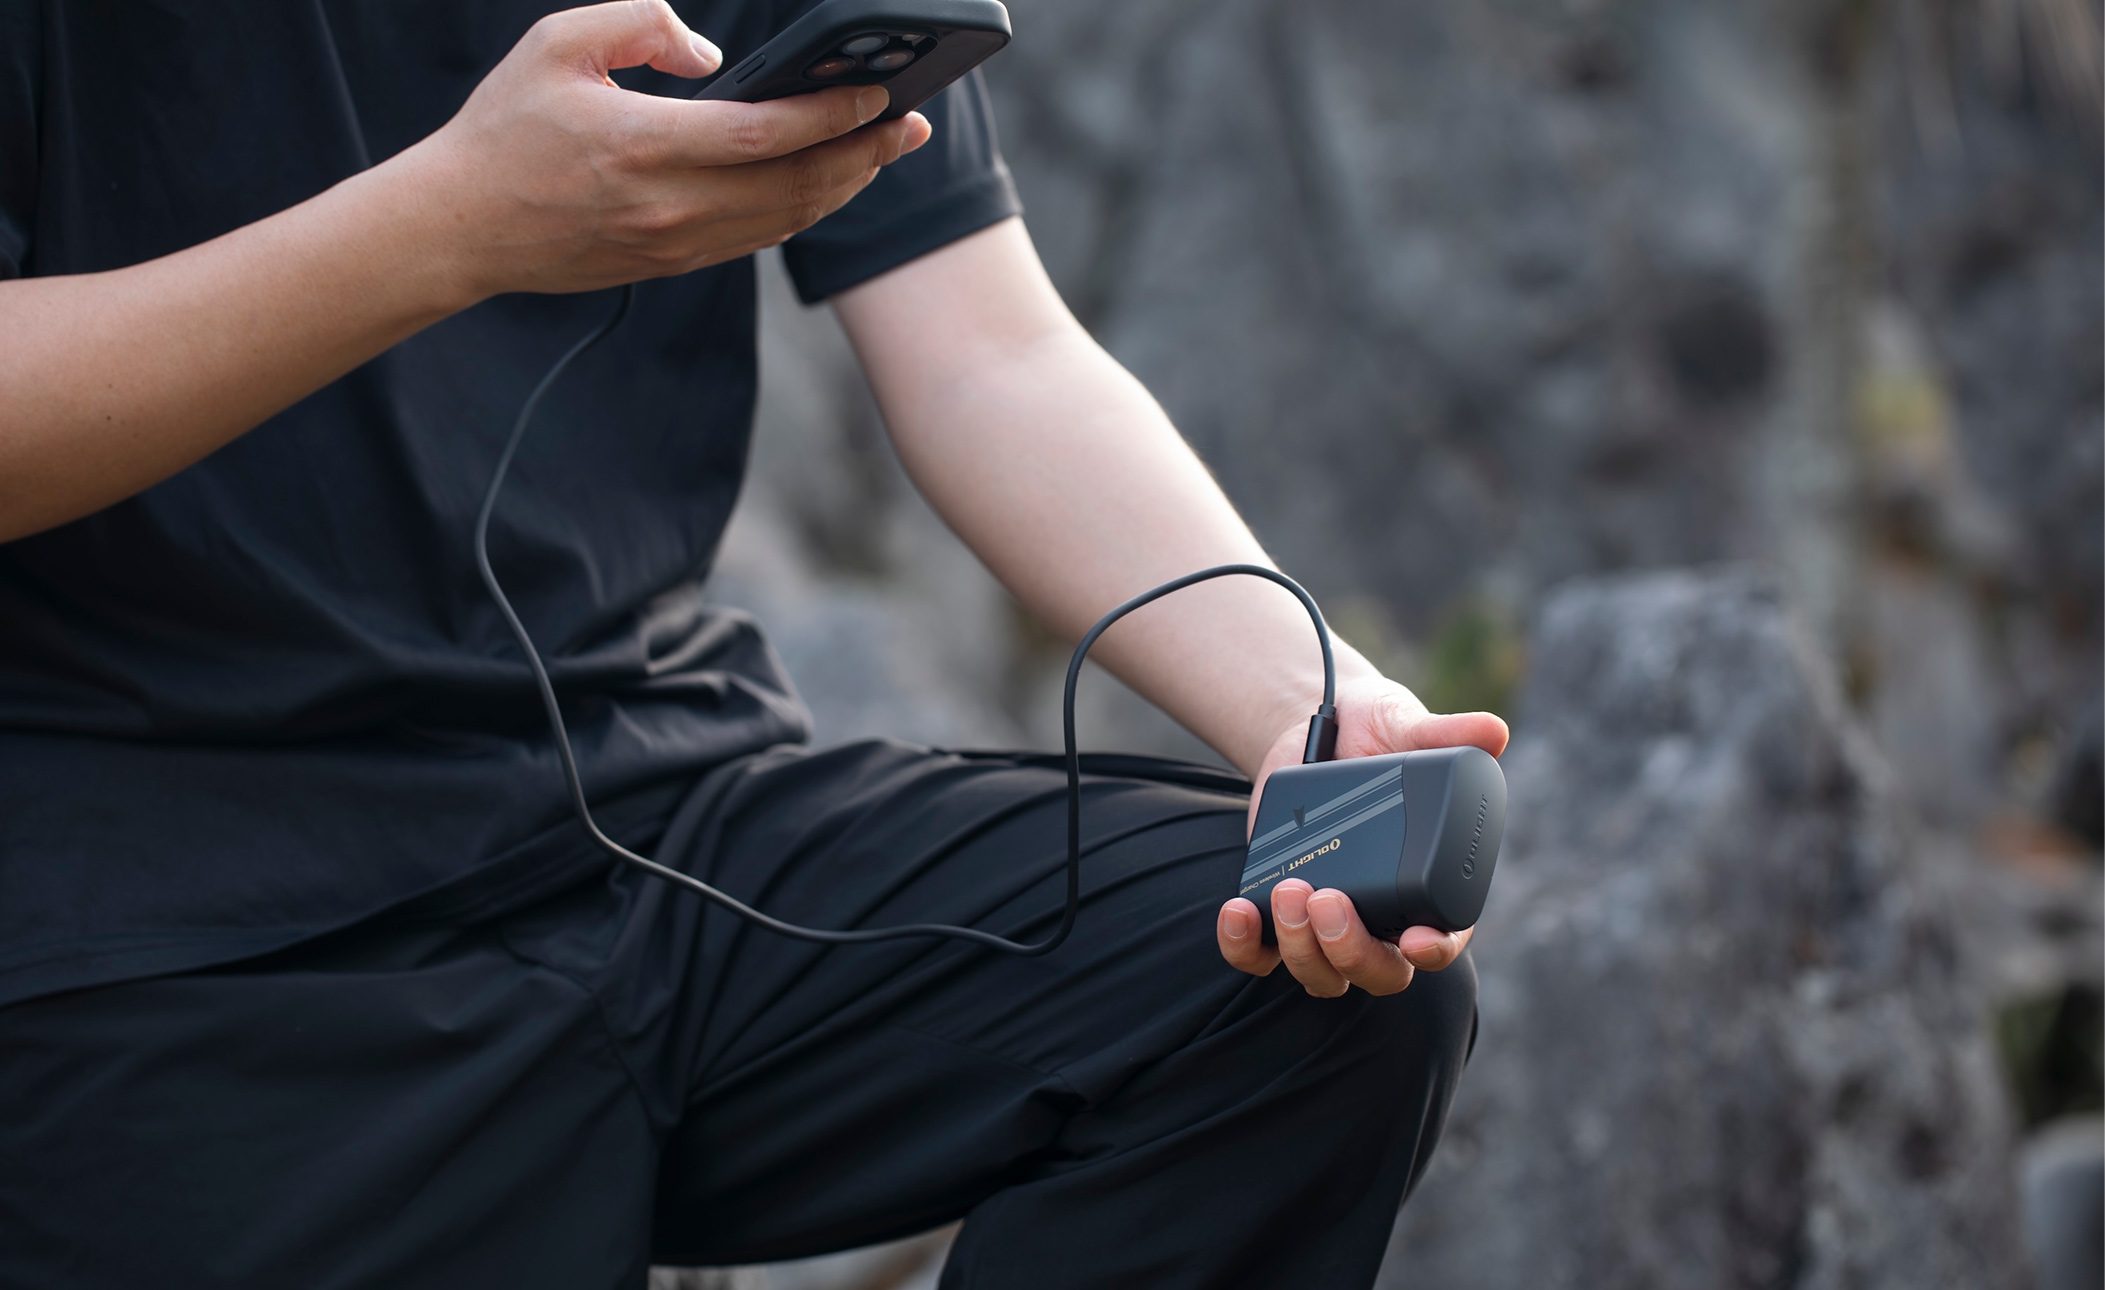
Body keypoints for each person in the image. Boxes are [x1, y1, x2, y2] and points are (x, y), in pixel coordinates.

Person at [0, 3, 1507, 1286]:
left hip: (654, 824)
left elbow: (990, 346)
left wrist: (1300, 700)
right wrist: (448, 227)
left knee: (1299, 1010)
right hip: (174, 921)